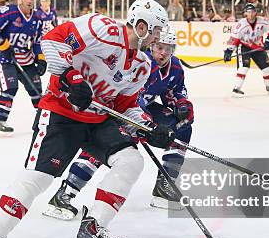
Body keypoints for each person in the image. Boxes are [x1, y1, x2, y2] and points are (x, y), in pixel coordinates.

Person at [0, 0, 172, 238]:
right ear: (142, 25)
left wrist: (149, 127)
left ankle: (93, 230)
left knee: (131, 160)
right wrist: (70, 77)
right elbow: (53, 40)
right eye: (156, 30)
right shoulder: (103, 28)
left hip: (98, 119)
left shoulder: (142, 66)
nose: (159, 37)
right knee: (37, 179)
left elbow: (125, 107)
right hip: (61, 113)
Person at [43, 27, 193, 219]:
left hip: (142, 109)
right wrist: (145, 127)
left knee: (182, 128)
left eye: (168, 49)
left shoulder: (175, 67)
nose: (163, 53)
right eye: (159, 47)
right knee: (112, 143)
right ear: (151, 45)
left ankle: (165, 186)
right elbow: (126, 100)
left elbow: (176, 91)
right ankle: (65, 193)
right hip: (120, 109)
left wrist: (183, 106)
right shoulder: (140, 63)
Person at [0, 0, 46, 134]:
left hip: (26, 59)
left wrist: (41, 57)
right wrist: (3, 44)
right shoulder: (7, 13)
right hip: (6, 58)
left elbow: (38, 40)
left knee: (37, 91)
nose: (29, 1)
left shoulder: (37, 18)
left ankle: (44, 122)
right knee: (10, 88)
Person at [224, 3, 269, 97]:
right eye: (248, 12)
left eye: (253, 11)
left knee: (267, 67)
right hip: (244, 46)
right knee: (244, 67)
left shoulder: (263, 21)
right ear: (245, 13)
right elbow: (234, 38)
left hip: (258, 47)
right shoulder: (241, 24)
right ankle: (236, 89)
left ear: (256, 12)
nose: (251, 14)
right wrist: (229, 51)